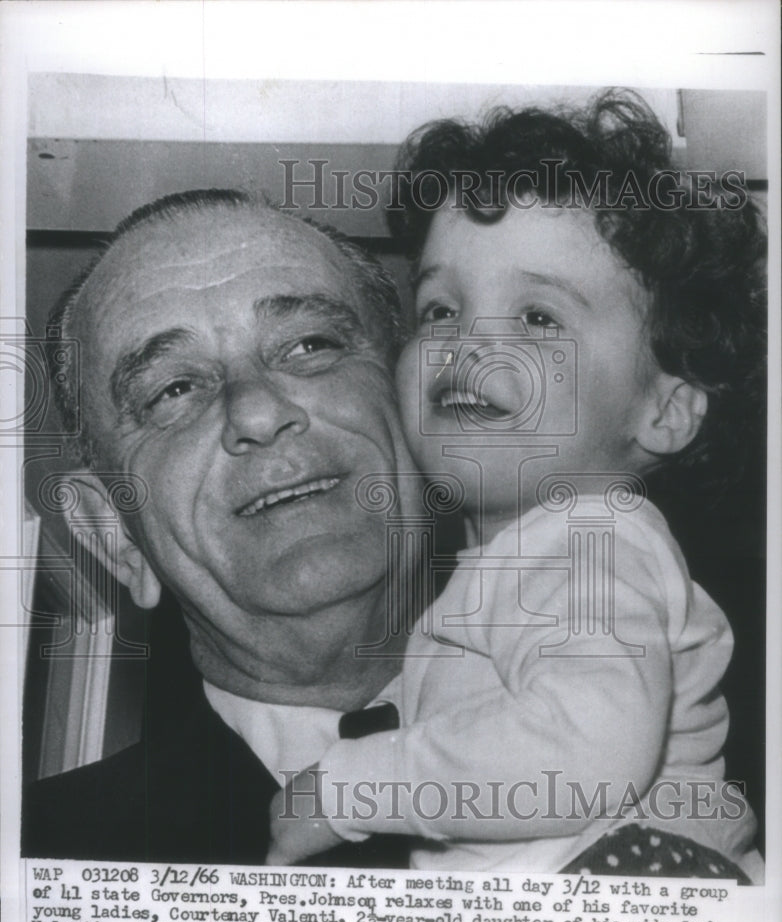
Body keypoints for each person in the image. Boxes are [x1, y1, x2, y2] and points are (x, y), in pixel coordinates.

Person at [265, 92, 766, 880]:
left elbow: (586, 747)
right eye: (439, 309)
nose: (470, 341)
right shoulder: (537, 560)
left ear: (664, 411)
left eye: (537, 318)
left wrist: (351, 789)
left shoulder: (593, 544)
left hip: (621, 897)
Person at [22, 189, 423, 866]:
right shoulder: (42, 856)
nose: (258, 412)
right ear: (113, 536)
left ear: (420, 409)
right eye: (173, 389)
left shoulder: (652, 762)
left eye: (308, 344)